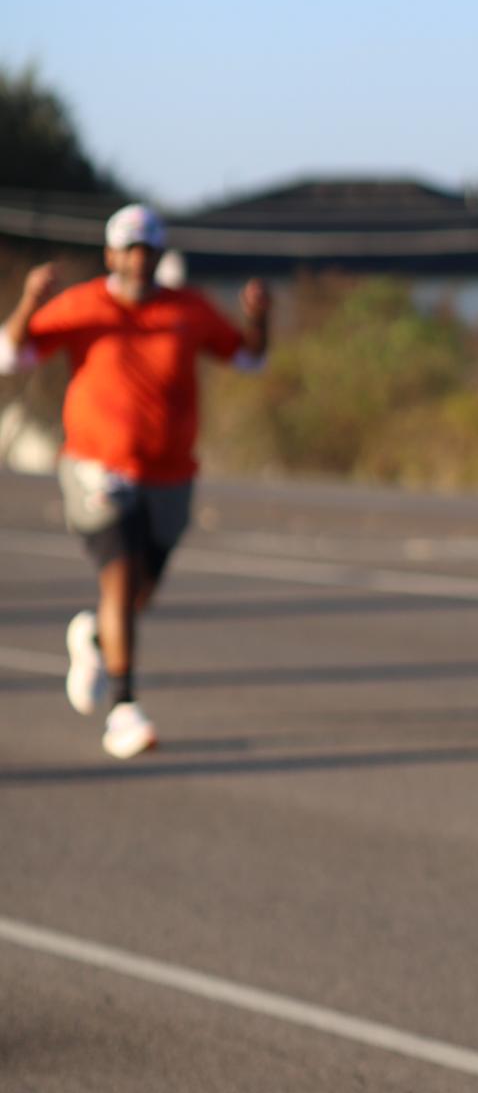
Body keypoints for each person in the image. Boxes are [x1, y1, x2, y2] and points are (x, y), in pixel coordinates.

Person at [0, 203, 270, 760]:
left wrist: (258, 319)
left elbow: (248, 359)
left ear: (158, 255)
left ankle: (95, 637)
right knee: (120, 578)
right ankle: (123, 708)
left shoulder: (188, 308)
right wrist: (29, 300)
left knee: (140, 590)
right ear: (111, 255)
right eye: (128, 250)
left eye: (147, 250)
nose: (138, 260)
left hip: (170, 474)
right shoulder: (83, 305)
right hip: (98, 466)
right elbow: (10, 355)